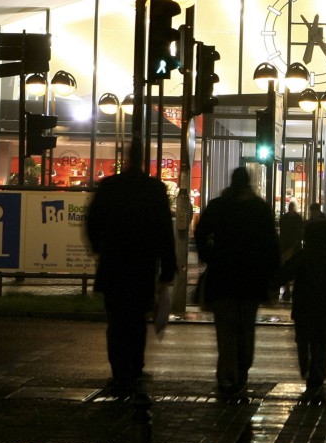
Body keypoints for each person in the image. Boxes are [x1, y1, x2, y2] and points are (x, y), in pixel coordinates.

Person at [84, 143, 178, 396]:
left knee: (116, 321)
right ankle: (135, 366)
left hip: (114, 264)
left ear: (125, 159)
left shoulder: (110, 187)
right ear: (144, 161)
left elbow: (92, 222)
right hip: (142, 265)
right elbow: (164, 233)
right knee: (137, 320)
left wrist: (99, 249)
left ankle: (119, 371)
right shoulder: (154, 190)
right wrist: (167, 269)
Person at [194, 166, 281, 397]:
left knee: (225, 331)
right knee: (246, 327)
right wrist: (272, 278)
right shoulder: (260, 209)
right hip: (251, 280)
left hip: (223, 277)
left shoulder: (218, 206)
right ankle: (242, 369)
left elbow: (201, 234)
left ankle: (227, 374)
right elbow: (271, 246)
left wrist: (210, 256)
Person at [282, 208, 326, 399]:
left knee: (303, 340)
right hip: (324, 307)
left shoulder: (303, 255)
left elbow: (285, 272)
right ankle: (318, 373)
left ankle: (307, 369)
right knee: (321, 341)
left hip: (303, 306)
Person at [278, 201, 305, 302]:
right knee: (296, 269)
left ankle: (287, 291)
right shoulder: (298, 218)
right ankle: (293, 291)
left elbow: (282, 232)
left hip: (285, 246)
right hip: (295, 246)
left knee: (286, 269)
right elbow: (300, 232)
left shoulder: (284, 218)